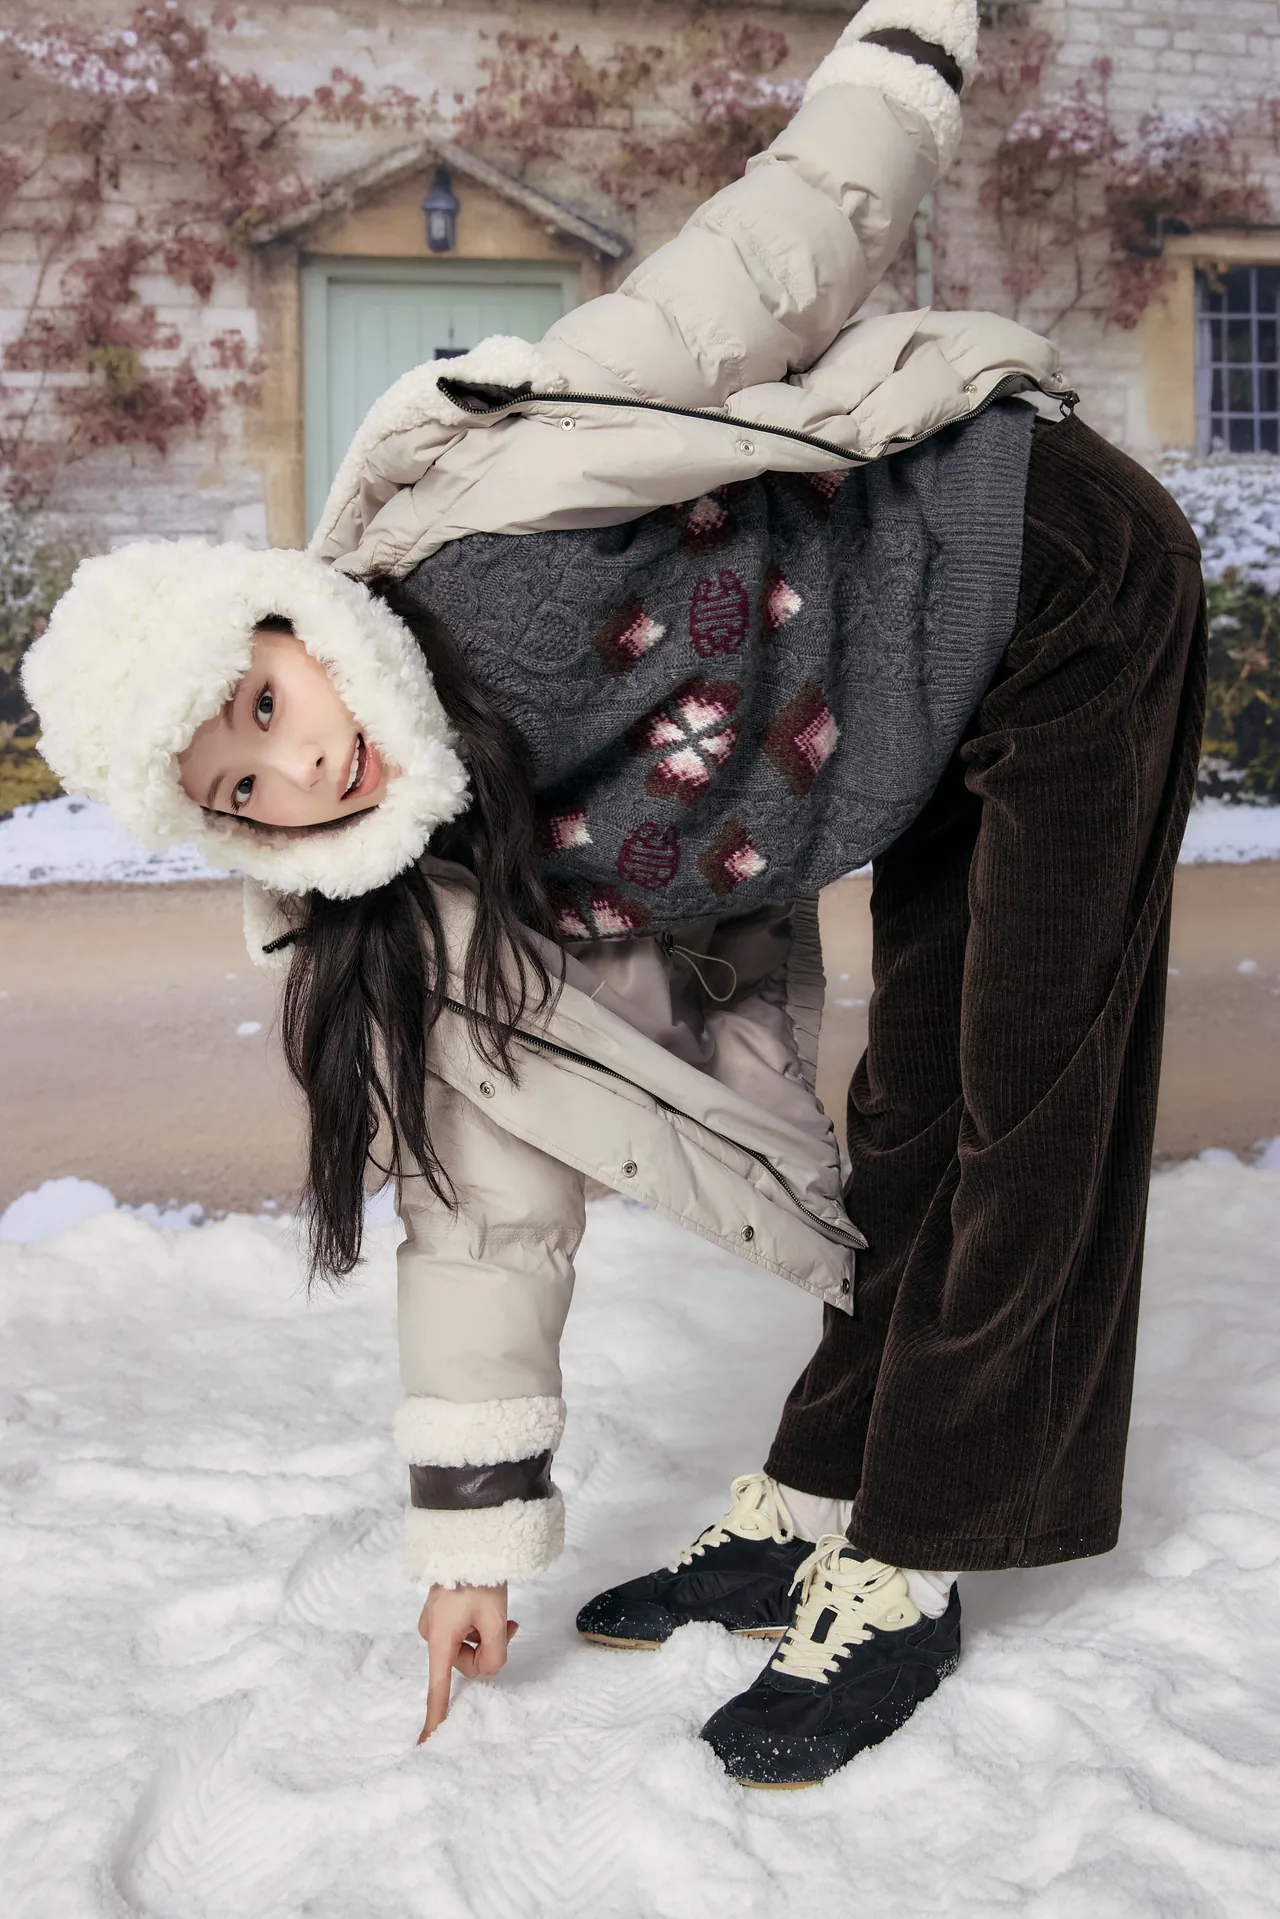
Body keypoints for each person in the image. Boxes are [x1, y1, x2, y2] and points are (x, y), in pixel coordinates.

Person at [22, 0, 1206, 1791]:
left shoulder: (494, 492)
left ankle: (922, 1544)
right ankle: (825, 1483)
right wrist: (471, 1539)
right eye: (238, 785)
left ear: (288, 621)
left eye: (264, 705)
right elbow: (483, 1213)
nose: (300, 766)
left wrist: (907, 52)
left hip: (1047, 562)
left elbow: (770, 252)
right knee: (917, 1097)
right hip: (924, 708)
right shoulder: (420, 907)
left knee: (1032, 1081)